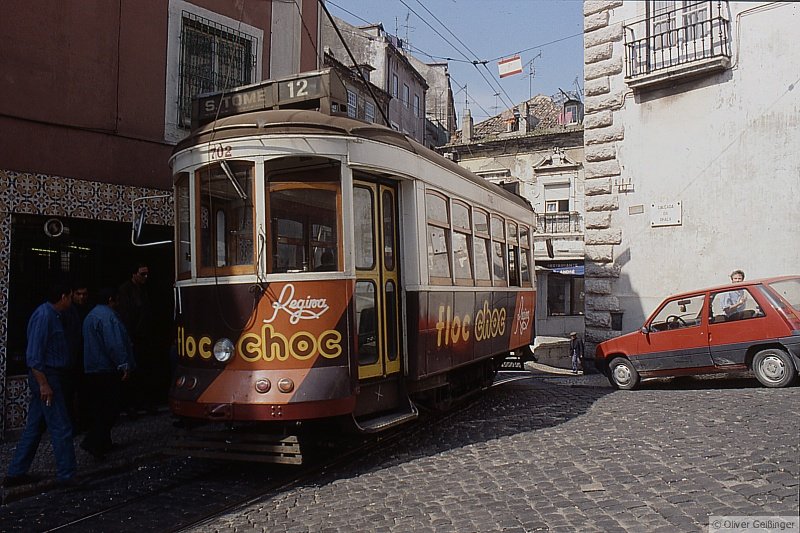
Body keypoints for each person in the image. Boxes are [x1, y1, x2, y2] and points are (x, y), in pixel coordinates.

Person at [4, 283, 77, 487]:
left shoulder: (54, 315)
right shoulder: (44, 316)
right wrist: (44, 384)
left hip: (50, 376)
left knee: (35, 426)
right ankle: (67, 475)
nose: (72, 300)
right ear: (63, 296)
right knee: (61, 426)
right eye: (71, 296)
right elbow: (34, 357)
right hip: (47, 376)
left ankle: (16, 472)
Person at [81, 288, 135, 459]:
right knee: (110, 407)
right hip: (106, 369)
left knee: (100, 407)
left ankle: (104, 442)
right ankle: (94, 441)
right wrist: (124, 364)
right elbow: (115, 344)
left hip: (92, 368)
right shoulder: (108, 317)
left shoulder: (91, 316)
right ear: (111, 299)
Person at [117, 262, 156, 415]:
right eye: (142, 274)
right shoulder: (126, 290)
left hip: (143, 336)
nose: (146, 277)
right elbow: (126, 315)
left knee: (144, 370)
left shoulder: (143, 289)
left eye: (147, 274)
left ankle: (141, 402)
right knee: (133, 371)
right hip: (134, 336)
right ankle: (132, 404)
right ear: (134, 274)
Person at [61, 283, 91, 430]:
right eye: (79, 294)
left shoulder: (88, 310)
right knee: (68, 393)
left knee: (84, 391)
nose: (82, 297)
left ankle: (84, 421)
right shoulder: (67, 311)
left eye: (84, 294)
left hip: (83, 358)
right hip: (70, 359)